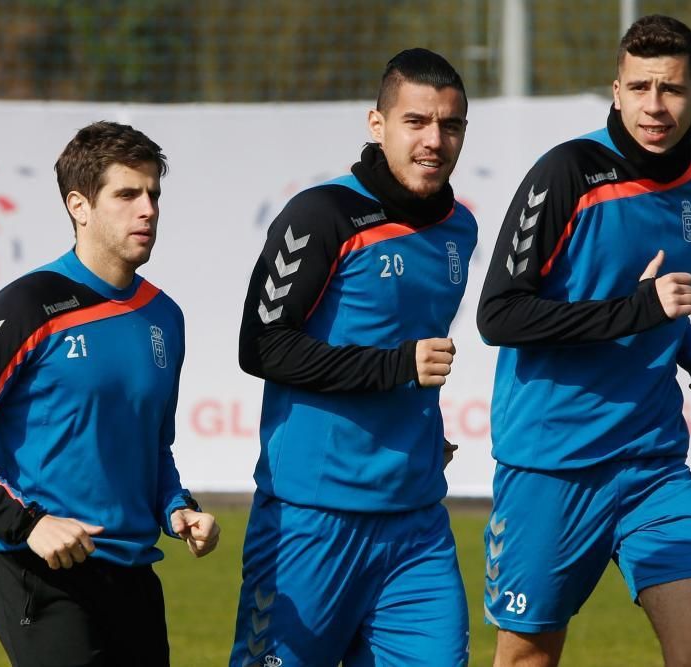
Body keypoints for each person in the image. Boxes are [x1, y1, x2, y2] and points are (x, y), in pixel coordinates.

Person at [477, 14, 691, 667]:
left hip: (652, 465)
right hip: (552, 463)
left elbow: (658, 298)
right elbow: (499, 316)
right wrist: (635, 311)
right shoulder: (566, 173)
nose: (655, 105)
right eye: (640, 87)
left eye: (671, 89)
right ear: (615, 91)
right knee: (528, 657)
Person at [0, 121, 220, 667]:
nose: (147, 209)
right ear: (79, 206)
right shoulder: (26, 305)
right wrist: (29, 524)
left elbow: (152, 447)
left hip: (135, 577)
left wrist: (177, 508)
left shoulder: (165, 317)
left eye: (153, 193)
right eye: (127, 194)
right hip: (42, 578)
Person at [229, 48, 476, 666]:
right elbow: (261, 345)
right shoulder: (322, 214)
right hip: (312, 519)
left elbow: (413, 344)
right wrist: (395, 369)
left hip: (416, 522)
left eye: (449, 125)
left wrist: (418, 429)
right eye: (415, 122)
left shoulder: (459, 228)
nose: (433, 141)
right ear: (378, 125)